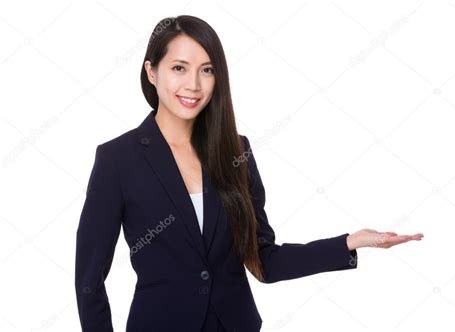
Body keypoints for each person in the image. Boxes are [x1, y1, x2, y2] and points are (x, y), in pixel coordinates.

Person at [74, 15, 424, 332]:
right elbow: (89, 279)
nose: (194, 84)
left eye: (207, 69)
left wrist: (349, 242)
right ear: (152, 72)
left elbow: (263, 260)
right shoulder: (117, 159)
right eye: (179, 68)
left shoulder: (235, 151)